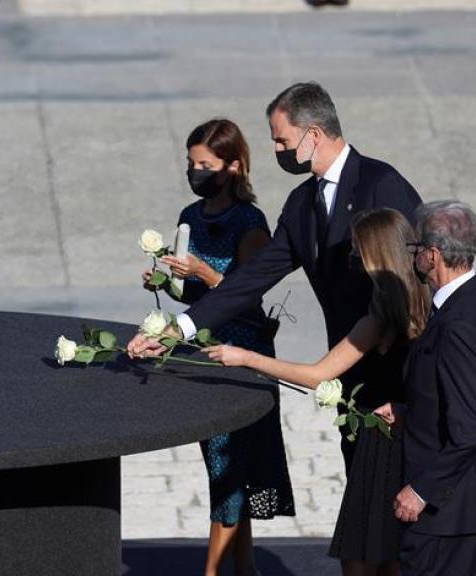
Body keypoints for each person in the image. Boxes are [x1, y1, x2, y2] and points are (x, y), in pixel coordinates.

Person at [128, 81, 422, 472]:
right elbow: (252, 278)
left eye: (282, 141)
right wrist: (178, 329)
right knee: (363, 483)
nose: (276, 150)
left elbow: (416, 276)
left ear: (313, 134)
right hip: (348, 372)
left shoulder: (380, 184)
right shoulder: (302, 204)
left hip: (399, 368)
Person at [206, 208, 429, 576]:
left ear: (376, 257)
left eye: (359, 253)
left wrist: (246, 357)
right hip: (408, 442)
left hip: (383, 444)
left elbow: (317, 375)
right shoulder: (424, 308)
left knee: (361, 556)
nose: (353, 262)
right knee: (391, 556)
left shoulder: (378, 319)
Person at [147, 118, 295, 576]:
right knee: (224, 466)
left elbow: (248, 294)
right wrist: (165, 281)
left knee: (229, 464)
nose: (195, 172)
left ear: (232, 167)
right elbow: (188, 298)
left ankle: (213, 571)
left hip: (240, 355)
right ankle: (244, 567)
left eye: (205, 164)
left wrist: (204, 274)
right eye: (191, 164)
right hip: (202, 353)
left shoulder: (249, 222)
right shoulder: (190, 217)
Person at [382, 201, 476, 576]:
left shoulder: (458, 323)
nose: (413, 257)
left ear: (433, 254)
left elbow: (472, 425)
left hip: (448, 516)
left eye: (416, 249)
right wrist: (411, 411)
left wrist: (421, 490)